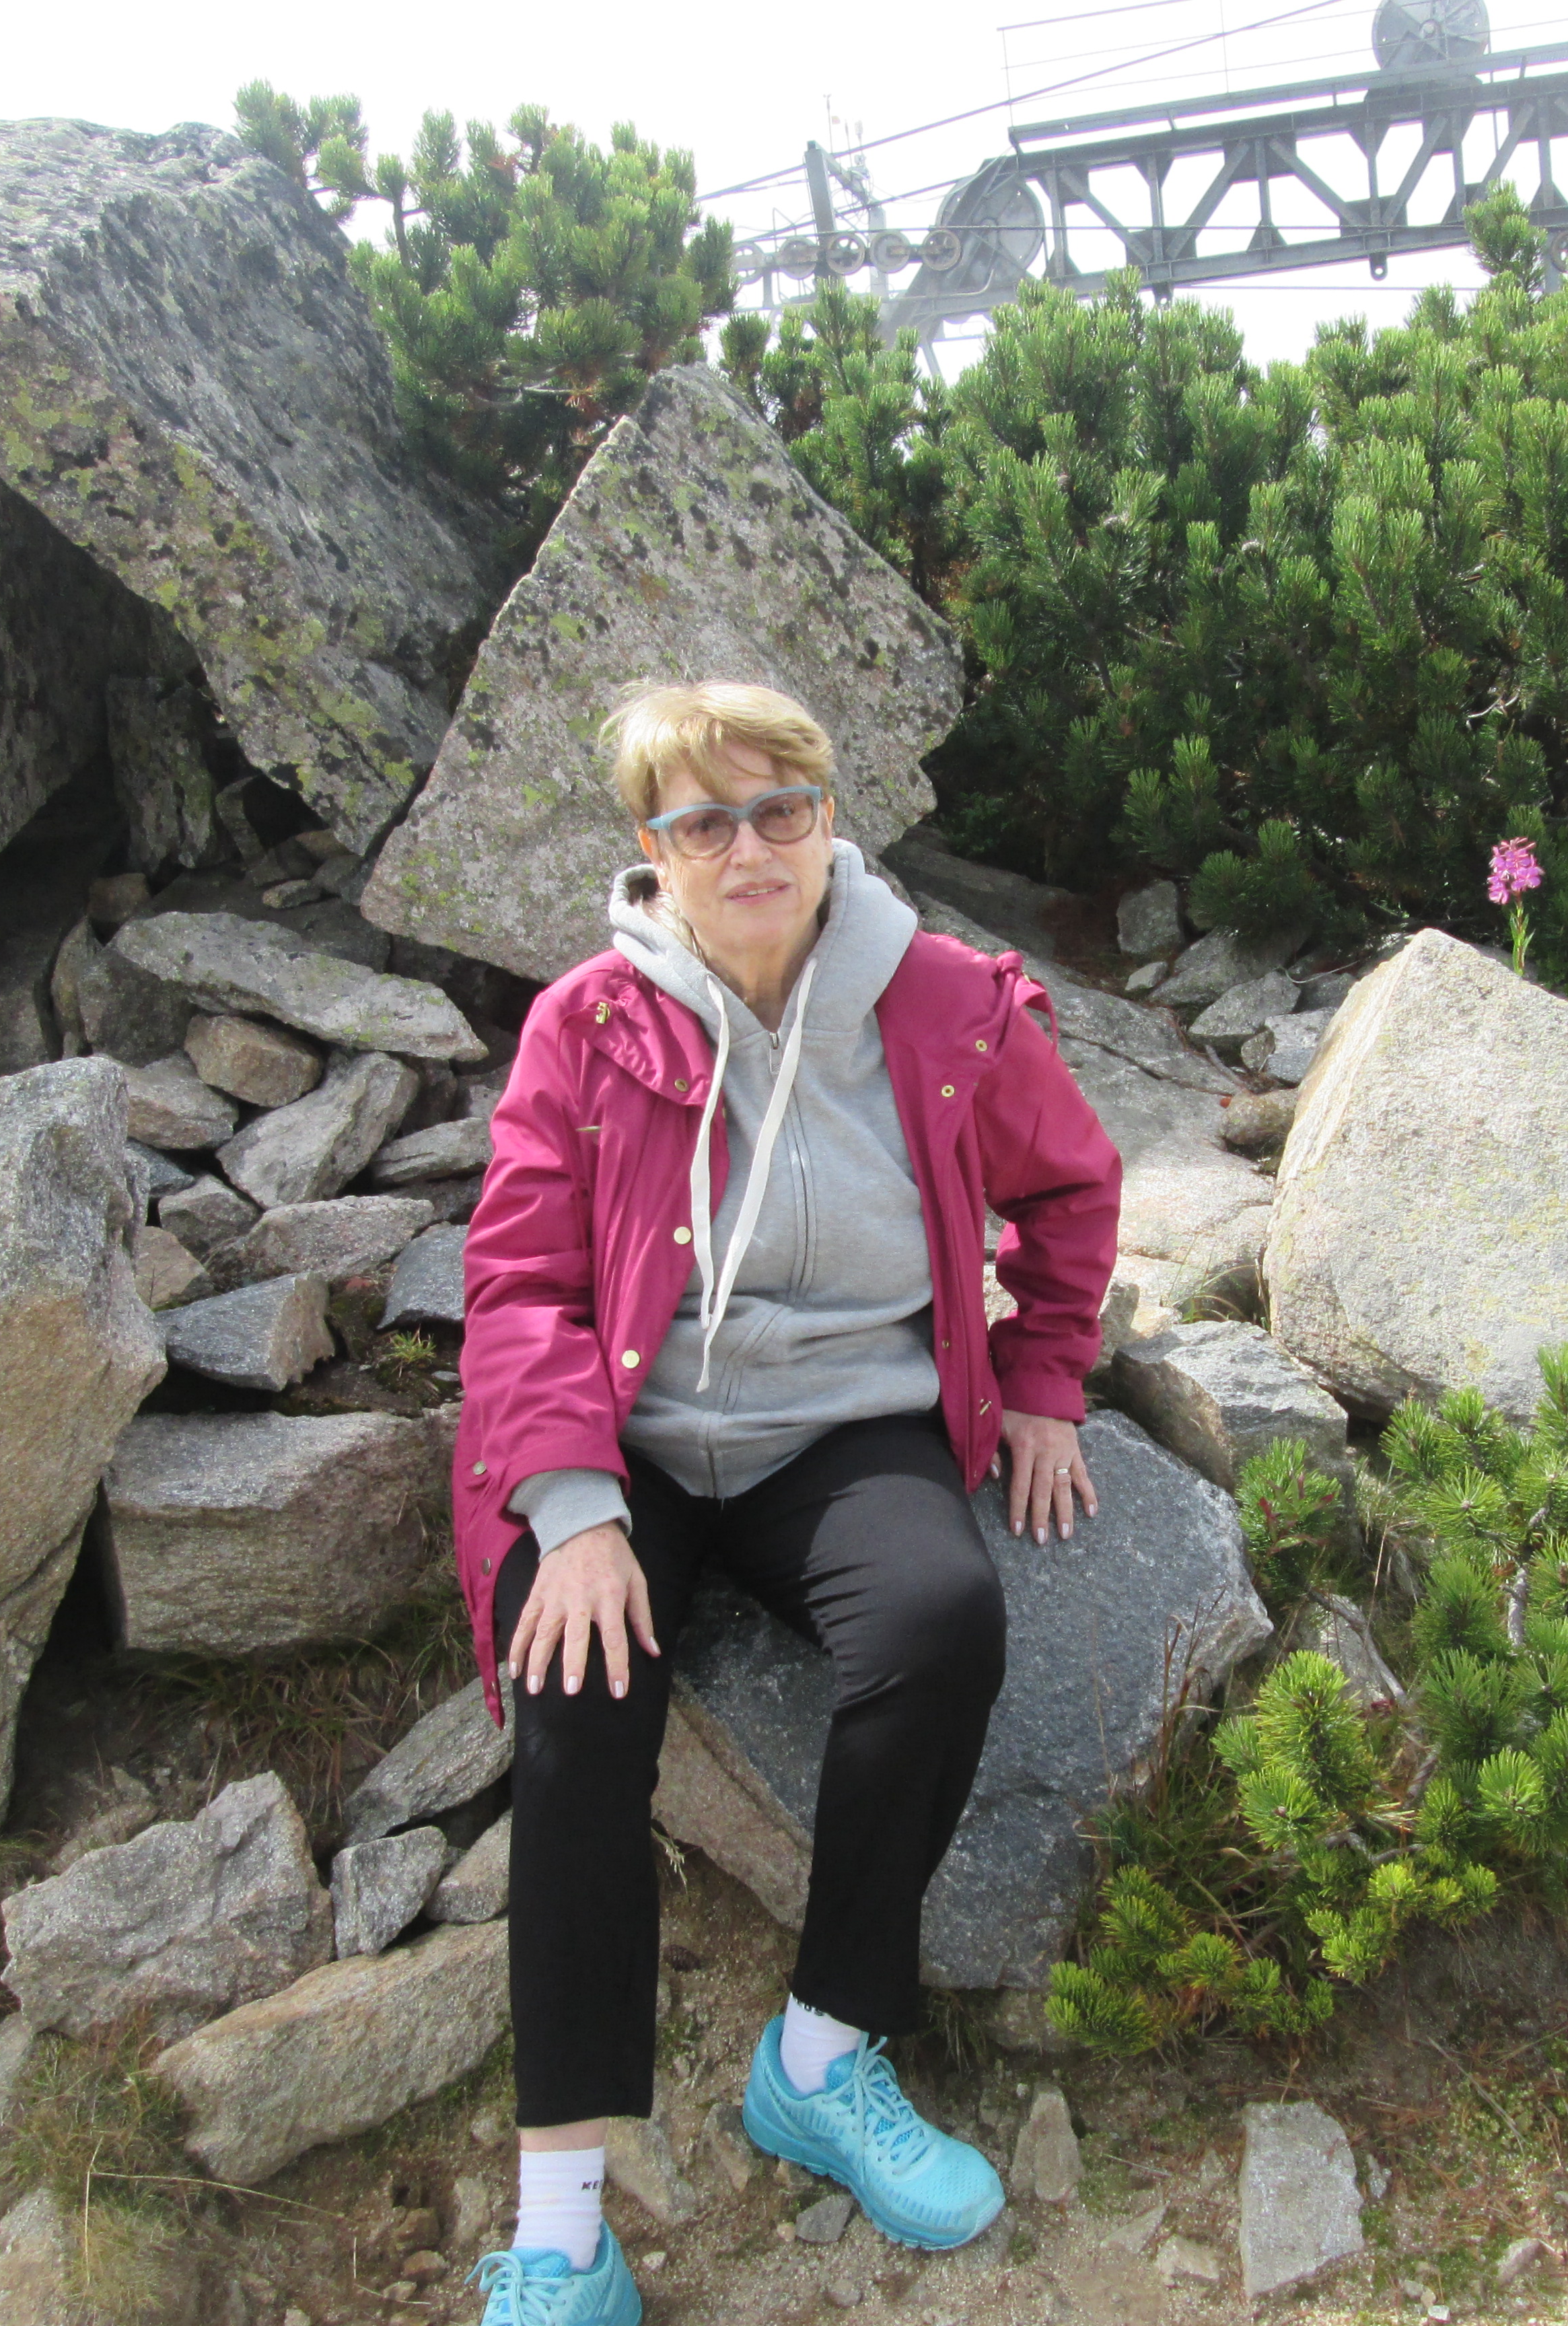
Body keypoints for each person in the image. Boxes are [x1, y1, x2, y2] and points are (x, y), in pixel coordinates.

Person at [449, 681, 1122, 2325]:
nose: (749, 848)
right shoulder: (587, 1024)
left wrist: (1043, 1376)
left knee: (940, 1621)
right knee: (576, 1695)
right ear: (654, 848)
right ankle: (562, 2227)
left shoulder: (946, 1001)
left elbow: (1071, 1185)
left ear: (829, 817)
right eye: (704, 821)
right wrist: (573, 1511)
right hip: (630, 1433)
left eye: (781, 809)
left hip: (843, 1427)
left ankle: (819, 2059)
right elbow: (521, 1283)